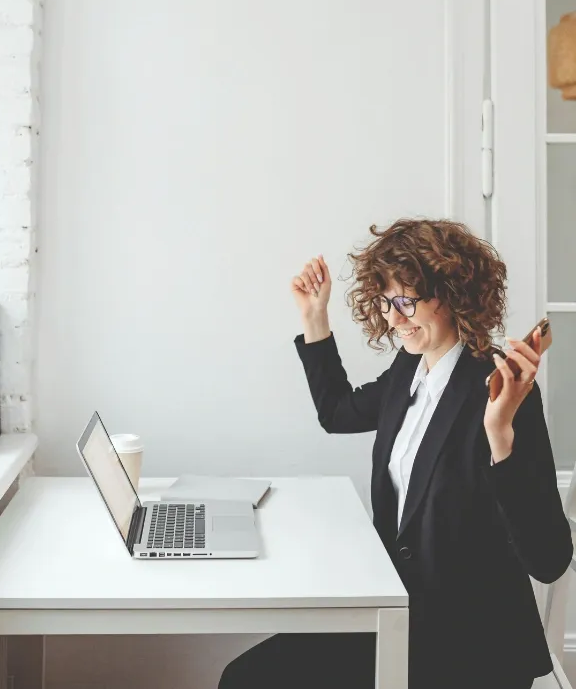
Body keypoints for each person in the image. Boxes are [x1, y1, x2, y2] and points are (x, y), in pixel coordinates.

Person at [218, 217, 573, 689]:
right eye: (387, 302)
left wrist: (500, 433)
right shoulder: (410, 368)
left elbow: (549, 558)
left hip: (469, 643)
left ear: (452, 294)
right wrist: (315, 317)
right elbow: (338, 412)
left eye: (406, 301)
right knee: (246, 677)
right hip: (401, 610)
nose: (392, 317)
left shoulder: (499, 391)